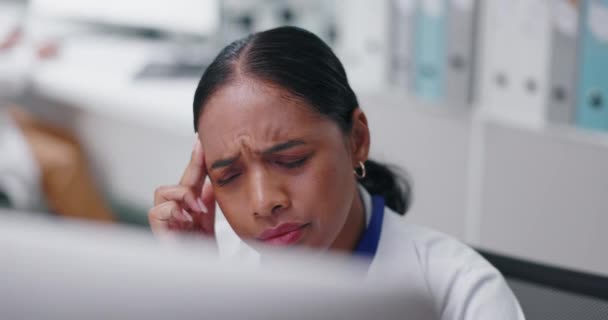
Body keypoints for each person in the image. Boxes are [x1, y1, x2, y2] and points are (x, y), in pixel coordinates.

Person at [148, 26, 525, 319]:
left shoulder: (464, 293)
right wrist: (197, 285)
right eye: (229, 177)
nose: (264, 202)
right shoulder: (217, 269)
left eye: (292, 160)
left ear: (357, 139)